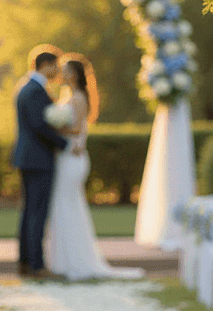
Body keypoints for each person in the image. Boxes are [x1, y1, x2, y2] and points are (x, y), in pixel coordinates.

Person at [45, 54, 144, 281]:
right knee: (63, 206)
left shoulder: (78, 97)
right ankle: (63, 260)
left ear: (75, 74)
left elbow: (77, 129)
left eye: (67, 70)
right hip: (66, 157)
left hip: (73, 158)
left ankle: (75, 261)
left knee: (68, 205)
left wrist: (53, 129)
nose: (62, 73)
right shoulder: (67, 96)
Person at [12, 45, 69, 278]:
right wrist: (65, 143)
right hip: (38, 159)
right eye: (55, 65)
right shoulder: (35, 90)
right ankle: (36, 265)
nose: (57, 70)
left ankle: (26, 262)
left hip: (28, 158)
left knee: (29, 212)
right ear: (45, 65)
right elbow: (39, 125)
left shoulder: (25, 87)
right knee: (37, 213)